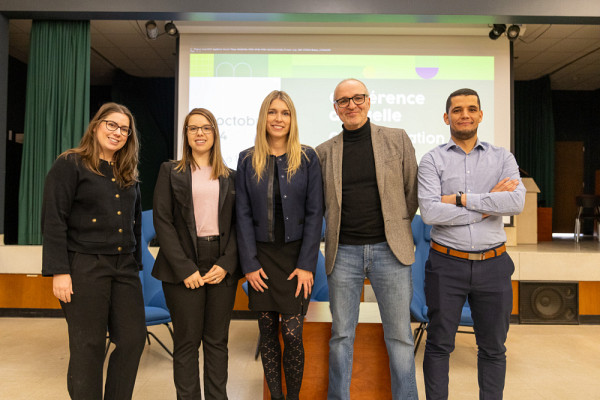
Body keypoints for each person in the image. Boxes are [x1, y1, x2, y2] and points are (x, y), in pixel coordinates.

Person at [418, 88, 525, 400]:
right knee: (439, 344)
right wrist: (490, 205)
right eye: (457, 109)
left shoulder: (503, 157)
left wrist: (462, 200)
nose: (464, 114)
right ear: (446, 116)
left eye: (471, 109)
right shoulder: (432, 160)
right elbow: (431, 211)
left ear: (480, 115)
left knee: (493, 348)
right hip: (445, 265)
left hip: (494, 265)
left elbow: (516, 202)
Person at [316, 78, 419, 400]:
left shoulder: (397, 139)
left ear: (369, 101)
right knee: (341, 336)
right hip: (343, 252)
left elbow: (411, 191)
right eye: (343, 101)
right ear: (335, 109)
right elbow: (319, 205)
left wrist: (396, 226)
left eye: (357, 98)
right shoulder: (323, 152)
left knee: (400, 336)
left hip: (391, 251)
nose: (351, 105)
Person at [41, 102, 146, 399]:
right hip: (83, 265)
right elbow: (53, 219)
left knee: (133, 339)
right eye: (111, 125)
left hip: (124, 267)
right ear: (97, 125)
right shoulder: (70, 163)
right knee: (89, 346)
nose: (117, 132)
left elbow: (135, 223)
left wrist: (135, 265)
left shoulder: (127, 172)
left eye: (124, 129)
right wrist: (59, 270)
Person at [236, 90, 323, 400]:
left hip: (295, 259)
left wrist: (306, 265)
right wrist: (249, 264)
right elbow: (242, 215)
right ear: (264, 117)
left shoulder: (308, 157)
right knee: (268, 334)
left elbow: (315, 214)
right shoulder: (247, 159)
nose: (278, 118)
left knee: (292, 335)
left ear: (292, 119)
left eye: (284, 113)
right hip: (260, 259)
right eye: (272, 112)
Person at [152, 108, 240, 400]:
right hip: (182, 262)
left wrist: (227, 263)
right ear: (186, 135)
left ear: (215, 133)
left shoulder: (232, 176)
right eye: (193, 128)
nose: (199, 133)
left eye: (206, 128)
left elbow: (242, 225)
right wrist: (184, 268)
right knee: (187, 343)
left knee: (216, 341)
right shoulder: (170, 171)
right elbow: (162, 221)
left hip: (221, 261)